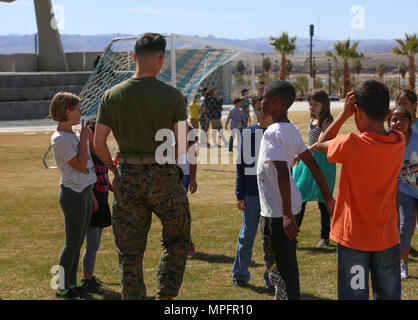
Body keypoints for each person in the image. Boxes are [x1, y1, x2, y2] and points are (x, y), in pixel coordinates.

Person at [94, 33, 191, 300]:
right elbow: (182, 146)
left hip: (127, 175)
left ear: (134, 57)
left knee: (129, 251)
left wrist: (114, 169)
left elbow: (98, 143)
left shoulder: (111, 96)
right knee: (178, 240)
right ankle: (166, 296)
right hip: (163, 175)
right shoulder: (173, 97)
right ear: (161, 61)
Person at [315, 80, 405, 300]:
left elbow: (321, 142)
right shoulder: (398, 141)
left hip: (354, 238)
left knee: (354, 296)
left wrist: (344, 114)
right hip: (386, 237)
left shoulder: (351, 144)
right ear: (387, 113)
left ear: (359, 112)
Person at [257, 80, 335, 300]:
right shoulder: (289, 129)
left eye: (264, 97)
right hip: (286, 208)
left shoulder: (273, 133)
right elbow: (313, 164)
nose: (261, 101)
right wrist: (327, 196)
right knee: (288, 263)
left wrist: (287, 215)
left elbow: (283, 172)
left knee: (277, 264)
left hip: (277, 213)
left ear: (275, 104)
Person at [49, 92, 98, 299]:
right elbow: (79, 165)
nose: (81, 113)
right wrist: (85, 139)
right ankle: (61, 288)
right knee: (71, 244)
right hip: (73, 195)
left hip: (84, 192)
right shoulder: (61, 138)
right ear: (68, 112)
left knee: (78, 243)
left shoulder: (73, 134)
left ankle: (71, 283)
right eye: (78, 109)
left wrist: (92, 194)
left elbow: (86, 168)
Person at [232, 99, 275, 291]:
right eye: (259, 109)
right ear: (255, 111)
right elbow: (241, 165)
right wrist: (239, 193)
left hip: (272, 194)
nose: (263, 113)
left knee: (272, 239)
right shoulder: (248, 132)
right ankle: (240, 275)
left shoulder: (277, 132)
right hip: (251, 193)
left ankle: (271, 278)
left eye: (266, 109)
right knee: (247, 235)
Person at [292, 89, 336, 248]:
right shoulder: (313, 119)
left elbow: (319, 144)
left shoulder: (328, 120)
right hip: (308, 160)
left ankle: (325, 238)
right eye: (310, 104)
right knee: (299, 197)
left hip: (322, 163)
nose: (311, 107)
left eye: (315, 104)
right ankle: (293, 236)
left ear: (324, 104)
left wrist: (301, 154)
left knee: (324, 201)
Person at [80, 117, 113, 294]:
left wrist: (115, 188)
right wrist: (92, 198)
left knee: (96, 242)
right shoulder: (87, 154)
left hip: (102, 200)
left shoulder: (100, 153)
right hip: (93, 203)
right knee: (92, 244)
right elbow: (86, 180)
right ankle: (87, 281)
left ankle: (89, 276)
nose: (104, 137)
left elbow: (103, 179)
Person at [388, 107, 417, 280]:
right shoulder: (388, 141)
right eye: (394, 119)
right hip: (405, 191)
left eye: (402, 119)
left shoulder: (416, 139)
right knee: (405, 226)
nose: (398, 122)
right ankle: (402, 264)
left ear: (410, 121)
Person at [177, 120, 198, 257]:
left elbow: (192, 156)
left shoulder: (188, 130)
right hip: (166, 174)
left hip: (183, 175)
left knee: (182, 211)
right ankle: (172, 242)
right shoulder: (163, 125)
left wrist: (192, 178)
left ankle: (187, 242)